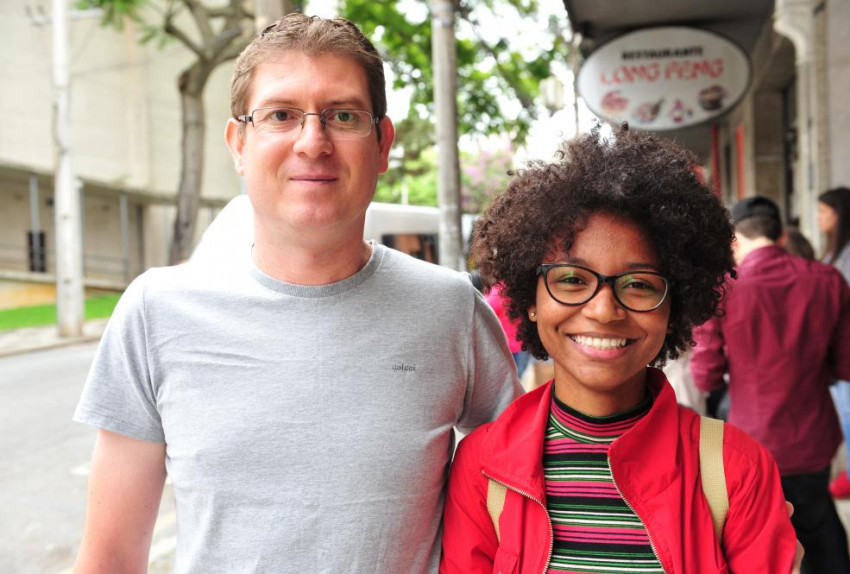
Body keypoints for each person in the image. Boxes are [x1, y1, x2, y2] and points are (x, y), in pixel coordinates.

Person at [72, 14, 521, 573]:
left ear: (382, 145)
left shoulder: (452, 310)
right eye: (282, 115)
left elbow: (522, 513)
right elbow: (110, 559)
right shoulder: (154, 313)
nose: (314, 142)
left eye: (343, 116)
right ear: (239, 143)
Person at [440, 125, 798, 573]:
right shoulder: (481, 467)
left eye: (640, 284)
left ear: (676, 306)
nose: (604, 310)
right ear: (531, 300)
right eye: (572, 279)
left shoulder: (735, 468)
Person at [692, 194, 850, 574]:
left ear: (735, 241)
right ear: (782, 235)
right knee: (819, 528)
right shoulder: (828, 280)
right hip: (812, 437)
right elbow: (849, 366)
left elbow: (705, 374)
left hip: (749, 440)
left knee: (755, 546)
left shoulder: (724, 289)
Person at [818, 186, 850, 498]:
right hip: (840, 339)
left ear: (840, 214)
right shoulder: (837, 248)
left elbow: (843, 289)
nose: (819, 218)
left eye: (824, 212)